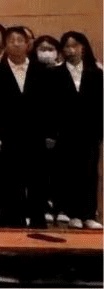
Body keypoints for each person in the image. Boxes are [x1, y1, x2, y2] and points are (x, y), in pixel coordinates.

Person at [0, 26, 57, 228]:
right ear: (5, 45)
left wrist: (51, 133)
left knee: (38, 180)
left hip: (37, 135)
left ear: (28, 44)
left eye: (20, 40)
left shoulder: (43, 72)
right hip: (7, 136)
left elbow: (53, 105)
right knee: (9, 181)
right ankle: (12, 221)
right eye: (11, 40)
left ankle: (38, 220)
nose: (15, 44)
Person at [52, 32, 102, 229]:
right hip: (64, 132)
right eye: (67, 46)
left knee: (89, 172)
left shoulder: (96, 73)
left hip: (89, 132)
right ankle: (71, 213)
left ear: (83, 47)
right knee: (67, 173)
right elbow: (50, 106)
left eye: (75, 45)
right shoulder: (55, 74)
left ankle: (88, 214)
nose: (71, 50)